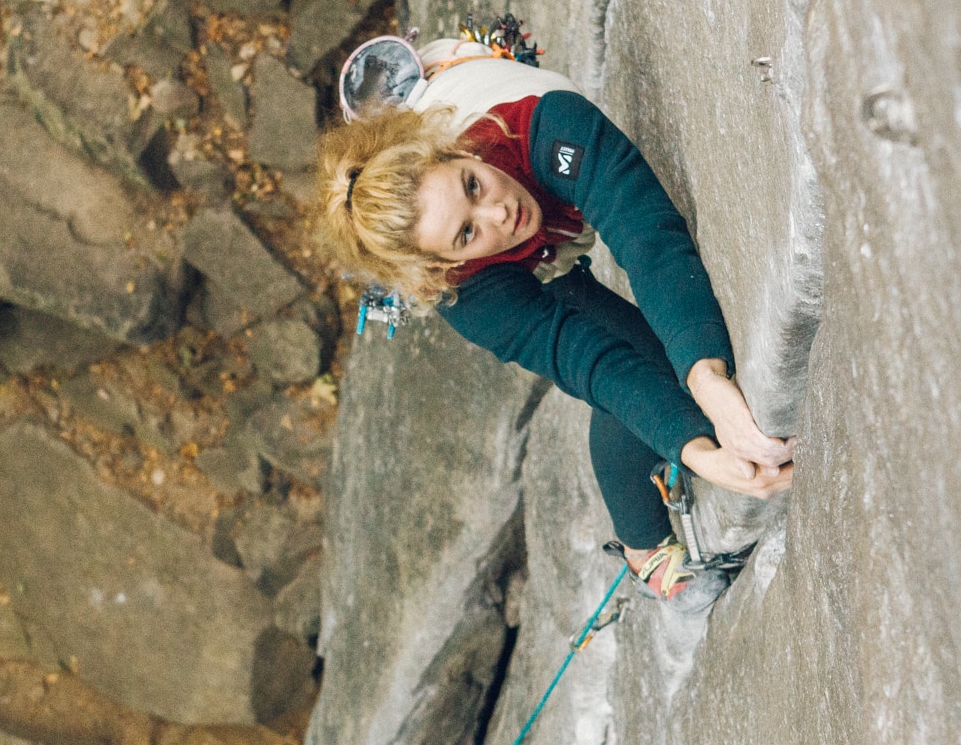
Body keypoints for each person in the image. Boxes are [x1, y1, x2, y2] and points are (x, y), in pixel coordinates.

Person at [313, 31, 793, 603]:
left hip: (524, 154)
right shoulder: (464, 293)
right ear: (443, 265)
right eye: (466, 232)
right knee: (643, 364)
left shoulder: (539, 122)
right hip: (518, 266)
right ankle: (642, 547)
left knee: (679, 367)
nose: (498, 212)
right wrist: (695, 451)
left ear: (460, 151)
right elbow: (591, 362)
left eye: (472, 185)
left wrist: (706, 376)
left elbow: (646, 236)